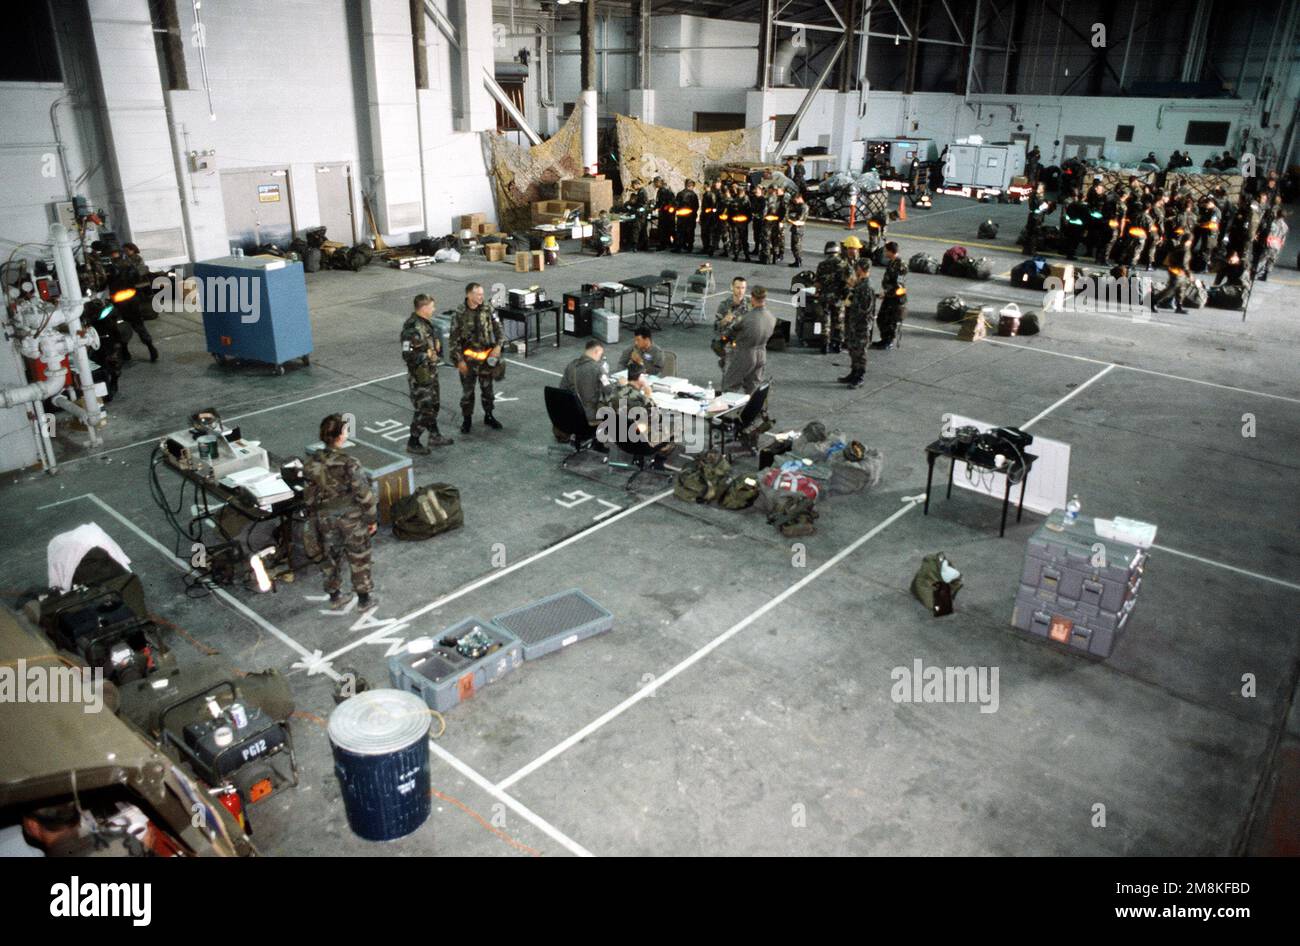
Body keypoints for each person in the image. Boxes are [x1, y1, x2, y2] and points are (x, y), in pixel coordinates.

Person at [304, 413, 377, 611]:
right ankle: (364, 599)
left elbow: (309, 496)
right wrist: (371, 518)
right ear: (340, 436)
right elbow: (363, 493)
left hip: (325, 518)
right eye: (345, 430)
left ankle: (335, 595)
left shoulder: (312, 462)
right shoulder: (349, 462)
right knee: (359, 556)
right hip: (350, 518)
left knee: (330, 558)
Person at [400, 293, 453, 454]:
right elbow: (406, 354)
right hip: (420, 377)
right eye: (431, 306)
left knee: (434, 405)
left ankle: (434, 436)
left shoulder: (425, 324)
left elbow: (427, 341)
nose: (434, 309)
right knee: (424, 409)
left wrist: (434, 345)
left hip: (430, 373)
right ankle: (413, 442)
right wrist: (426, 355)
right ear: (423, 308)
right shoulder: (411, 329)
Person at [450, 282, 505, 433]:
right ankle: (467, 420)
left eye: (482, 294)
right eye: (478, 294)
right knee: (468, 392)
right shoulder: (459, 314)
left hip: (486, 359)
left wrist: (499, 346)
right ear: (469, 295)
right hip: (468, 361)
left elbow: (498, 328)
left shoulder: (487, 309)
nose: (482, 297)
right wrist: (459, 361)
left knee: (488, 390)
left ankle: (489, 415)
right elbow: (453, 341)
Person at [602, 362, 674, 465]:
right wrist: (648, 395)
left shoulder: (614, 392)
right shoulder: (641, 399)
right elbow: (658, 417)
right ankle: (659, 461)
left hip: (619, 438)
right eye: (645, 376)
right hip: (641, 443)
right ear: (640, 377)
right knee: (676, 425)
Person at [721, 286, 776, 394]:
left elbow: (729, 332)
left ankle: (730, 410)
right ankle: (753, 410)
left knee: (730, 386)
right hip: (761, 354)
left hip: (745, 354)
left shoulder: (747, 318)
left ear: (752, 298)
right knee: (753, 387)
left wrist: (727, 323)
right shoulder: (771, 317)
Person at [559, 339, 612, 449]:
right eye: (600, 355)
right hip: (588, 416)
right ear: (596, 351)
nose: (600, 358)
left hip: (570, 413)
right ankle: (601, 442)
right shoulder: (598, 369)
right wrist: (606, 374)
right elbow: (609, 390)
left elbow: (562, 389)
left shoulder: (571, 366)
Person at [840, 259, 875, 389]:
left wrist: (851, 303)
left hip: (862, 325)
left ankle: (859, 376)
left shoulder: (866, 287)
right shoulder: (860, 284)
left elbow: (864, 309)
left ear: (861, 268)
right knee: (853, 349)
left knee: (860, 352)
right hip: (855, 323)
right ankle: (854, 372)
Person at [814, 240, 850, 354]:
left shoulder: (822, 265)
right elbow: (849, 282)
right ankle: (837, 345)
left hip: (825, 297)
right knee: (839, 321)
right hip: (839, 298)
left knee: (825, 321)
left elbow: (818, 284)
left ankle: (824, 345)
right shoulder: (845, 265)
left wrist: (817, 291)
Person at [872, 242, 907, 351]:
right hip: (889, 296)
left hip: (895, 298)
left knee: (890, 320)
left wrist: (886, 294)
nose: (884, 253)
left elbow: (899, 286)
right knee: (882, 318)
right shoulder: (892, 262)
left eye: (886, 251)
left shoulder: (900, 265)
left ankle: (888, 341)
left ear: (891, 252)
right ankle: (884, 339)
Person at [1151, 232, 1193, 314]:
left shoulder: (1178, 247)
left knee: (1181, 289)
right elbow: (1184, 264)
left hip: (1175, 270)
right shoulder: (1185, 249)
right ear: (1188, 241)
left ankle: (1179, 307)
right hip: (1178, 272)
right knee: (1171, 289)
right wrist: (1189, 274)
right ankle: (1153, 301)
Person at [1255, 205, 1287, 281]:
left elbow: (1268, 233)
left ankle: (1255, 273)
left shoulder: (1273, 223)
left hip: (1270, 244)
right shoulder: (1286, 226)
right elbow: (1283, 238)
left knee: (1263, 259)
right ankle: (1265, 274)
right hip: (1277, 246)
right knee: (1271, 261)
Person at [674, 179, 699, 253]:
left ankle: (679, 247)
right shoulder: (694, 195)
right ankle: (690, 247)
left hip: (681, 216)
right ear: (691, 186)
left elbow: (676, 205)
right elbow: (696, 206)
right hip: (690, 216)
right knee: (690, 231)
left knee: (680, 231)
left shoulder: (680, 194)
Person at [785, 192, 808, 268]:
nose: (794, 201)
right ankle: (797, 260)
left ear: (799, 198)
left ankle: (798, 260)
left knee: (796, 245)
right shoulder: (799, 206)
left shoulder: (804, 207)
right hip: (796, 227)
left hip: (798, 228)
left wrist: (790, 219)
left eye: (795, 200)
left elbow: (799, 219)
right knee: (794, 245)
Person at [763, 187, 785, 265]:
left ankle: (767, 258)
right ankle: (775, 257)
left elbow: (764, 211)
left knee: (767, 239)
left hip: (768, 222)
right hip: (776, 222)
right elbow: (784, 211)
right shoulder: (781, 200)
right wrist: (781, 220)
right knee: (775, 239)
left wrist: (763, 218)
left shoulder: (768, 199)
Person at [700, 180, 720, 257]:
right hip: (705, 216)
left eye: (704, 185)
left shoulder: (710, 195)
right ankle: (706, 247)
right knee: (704, 233)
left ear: (707, 185)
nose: (703, 186)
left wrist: (709, 215)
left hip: (709, 217)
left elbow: (713, 207)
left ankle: (707, 248)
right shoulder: (706, 194)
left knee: (707, 233)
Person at [655, 177, 676, 251]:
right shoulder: (661, 191)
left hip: (666, 214)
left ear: (659, 182)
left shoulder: (664, 191)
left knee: (664, 229)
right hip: (666, 213)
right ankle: (669, 243)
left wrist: (662, 208)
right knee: (667, 229)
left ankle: (664, 244)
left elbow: (666, 203)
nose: (655, 184)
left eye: (656, 182)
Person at [750, 185, 768, 264]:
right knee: (756, 235)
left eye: (757, 190)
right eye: (755, 189)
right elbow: (752, 207)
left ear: (761, 191)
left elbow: (762, 209)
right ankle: (756, 249)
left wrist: (756, 213)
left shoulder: (763, 199)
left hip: (761, 219)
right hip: (755, 219)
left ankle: (761, 251)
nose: (756, 191)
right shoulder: (754, 198)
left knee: (761, 236)